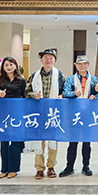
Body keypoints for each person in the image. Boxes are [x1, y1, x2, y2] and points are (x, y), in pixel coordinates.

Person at [25, 48, 65, 179]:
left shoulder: (59, 76)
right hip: (38, 112)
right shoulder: (34, 76)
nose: (48, 60)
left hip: (54, 113)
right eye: (46, 58)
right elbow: (26, 92)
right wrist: (33, 95)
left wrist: (62, 95)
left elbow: (65, 91)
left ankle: (51, 167)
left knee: (53, 141)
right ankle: (39, 168)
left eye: (51, 58)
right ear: (41, 60)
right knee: (39, 141)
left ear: (55, 61)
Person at [59, 55, 98, 177]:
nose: (82, 66)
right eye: (79, 64)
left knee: (86, 142)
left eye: (84, 64)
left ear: (88, 65)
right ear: (76, 66)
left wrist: (95, 95)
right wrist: (74, 93)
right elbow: (65, 92)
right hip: (74, 114)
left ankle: (86, 166)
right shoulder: (70, 79)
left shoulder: (94, 80)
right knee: (73, 142)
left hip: (88, 114)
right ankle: (69, 167)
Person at [0, 57, 26, 179]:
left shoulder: (21, 80)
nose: (9, 67)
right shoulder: (0, 80)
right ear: (3, 67)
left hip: (17, 114)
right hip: (3, 114)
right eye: (6, 65)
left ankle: (14, 169)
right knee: (4, 142)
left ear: (15, 66)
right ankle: (4, 169)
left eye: (11, 64)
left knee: (15, 142)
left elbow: (25, 95)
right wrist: (0, 93)